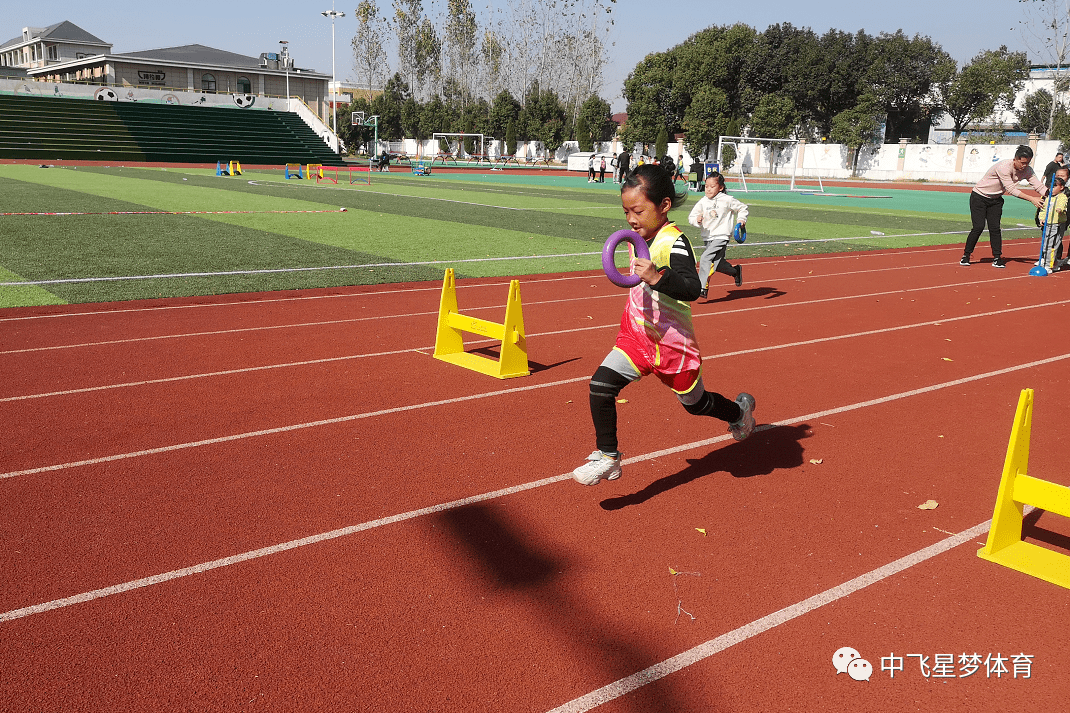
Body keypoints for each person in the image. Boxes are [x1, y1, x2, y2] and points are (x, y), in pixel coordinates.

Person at [571, 164, 756, 486]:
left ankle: (739, 413)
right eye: (626, 211)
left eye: (638, 210)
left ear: (664, 206)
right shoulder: (635, 238)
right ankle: (608, 457)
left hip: (672, 345)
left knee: (695, 405)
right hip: (636, 336)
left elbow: (692, 289)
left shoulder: (675, 242)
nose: (631, 219)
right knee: (600, 386)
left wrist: (657, 276)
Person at [960, 145, 1045, 268]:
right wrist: (1032, 199)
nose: (1025, 166)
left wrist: (1053, 194)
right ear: (1015, 159)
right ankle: (966, 255)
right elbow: (1011, 189)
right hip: (979, 197)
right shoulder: (1004, 167)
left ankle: (997, 257)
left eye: (1028, 163)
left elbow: (1039, 186)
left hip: (996, 200)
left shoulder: (1028, 170)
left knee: (995, 228)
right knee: (978, 227)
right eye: (1022, 163)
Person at [688, 172, 747, 298]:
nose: (708, 189)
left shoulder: (727, 199)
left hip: (722, 235)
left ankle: (701, 287)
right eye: (706, 186)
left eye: (712, 186)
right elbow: (691, 217)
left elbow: (742, 208)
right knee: (718, 264)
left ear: (720, 187)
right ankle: (735, 271)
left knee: (705, 258)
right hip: (708, 236)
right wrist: (696, 219)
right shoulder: (702, 202)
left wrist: (741, 220)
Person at [1039, 175, 1068, 271]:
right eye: (1050, 186)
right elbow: (1043, 210)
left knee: (1053, 245)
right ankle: (1050, 262)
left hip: (1058, 224)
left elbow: (1062, 204)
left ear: (1061, 187)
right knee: (1046, 244)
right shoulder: (1048, 198)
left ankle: (1049, 264)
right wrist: (1042, 218)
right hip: (1048, 224)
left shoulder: (1062, 196)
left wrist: (1060, 209)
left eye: (1054, 186)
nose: (1051, 189)